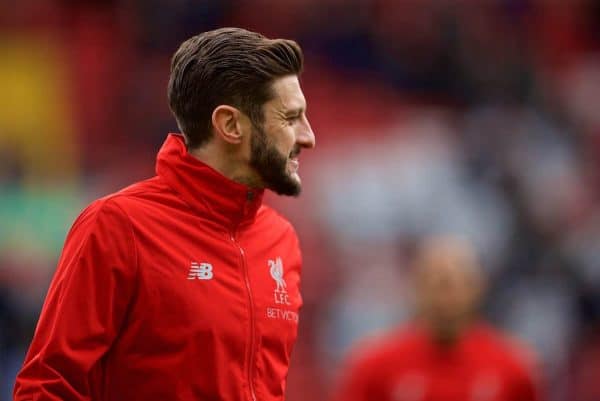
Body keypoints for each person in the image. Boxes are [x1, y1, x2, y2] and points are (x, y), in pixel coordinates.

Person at [14, 27, 315, 401]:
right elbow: (47, 387)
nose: (308, 136)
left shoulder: (281, 239)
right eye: (289, 118)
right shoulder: (118, 225)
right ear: (231, 125)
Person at [331, 236, 543, 401]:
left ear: (477, 288)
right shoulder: (374, 368)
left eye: (457, 284)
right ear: (417, 288)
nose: (447, 297)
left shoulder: (512, 369)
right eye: (439, 284)